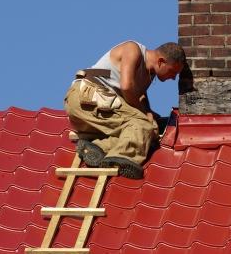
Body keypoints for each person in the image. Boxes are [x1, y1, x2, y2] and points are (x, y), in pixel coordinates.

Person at [64, 41, 186, 179]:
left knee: (149, 133)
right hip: (87, 97)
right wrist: (145, 116)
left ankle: (98, 148)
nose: (173, 77)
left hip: (96, 109)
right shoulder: (133, 50)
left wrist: (150, 113)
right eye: (173, 71)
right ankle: (121, 159)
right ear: (161, 62)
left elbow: (139, 97)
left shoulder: (148, 74)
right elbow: (127, 87)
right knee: (143, 126)